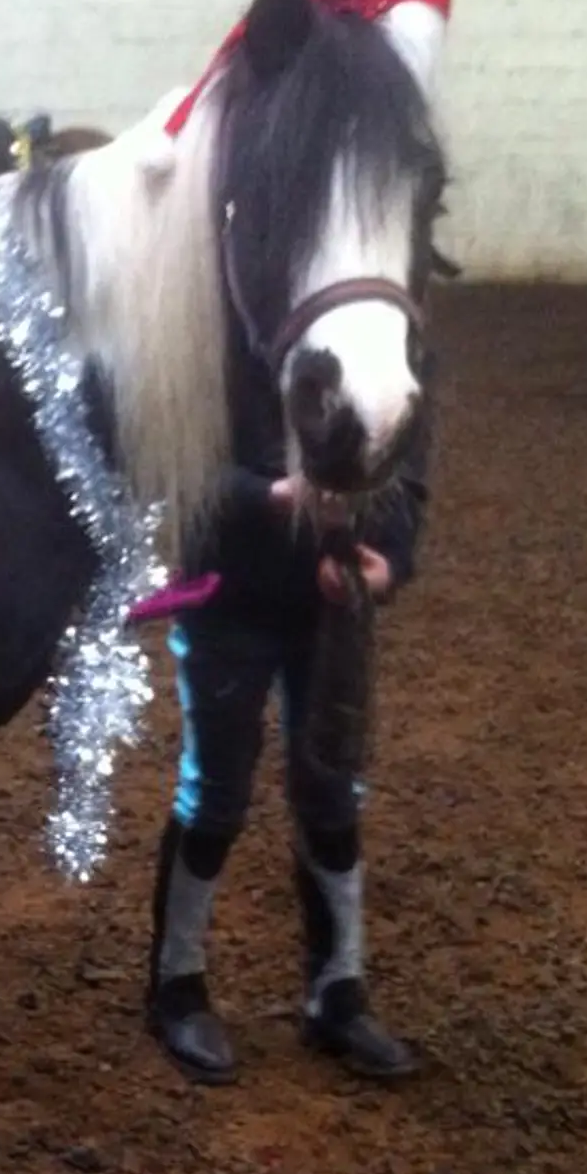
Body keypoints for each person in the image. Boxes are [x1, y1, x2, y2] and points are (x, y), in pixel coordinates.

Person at [143, 330, 436, 1087]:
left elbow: (408, 470)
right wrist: (271, 497)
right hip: (229, 598)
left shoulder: (388, 336)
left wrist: (388, 563)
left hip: (331, 606)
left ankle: (337, 989)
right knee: (214, 792)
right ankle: (177, 984)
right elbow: (176, 468)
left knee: (333, 787)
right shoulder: (218, 339)